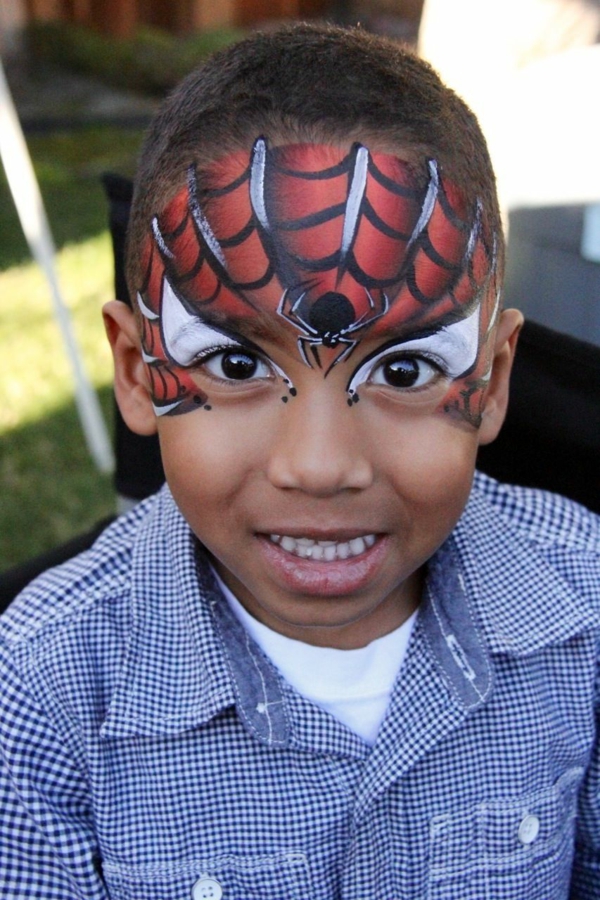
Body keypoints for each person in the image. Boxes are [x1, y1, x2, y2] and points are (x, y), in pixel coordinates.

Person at [1, 23, 599, 900]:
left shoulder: (585, 617)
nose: (320, 467)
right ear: (136, 370)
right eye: (237, 365)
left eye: (405, 369)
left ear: (493, 379)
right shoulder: (39, 696)